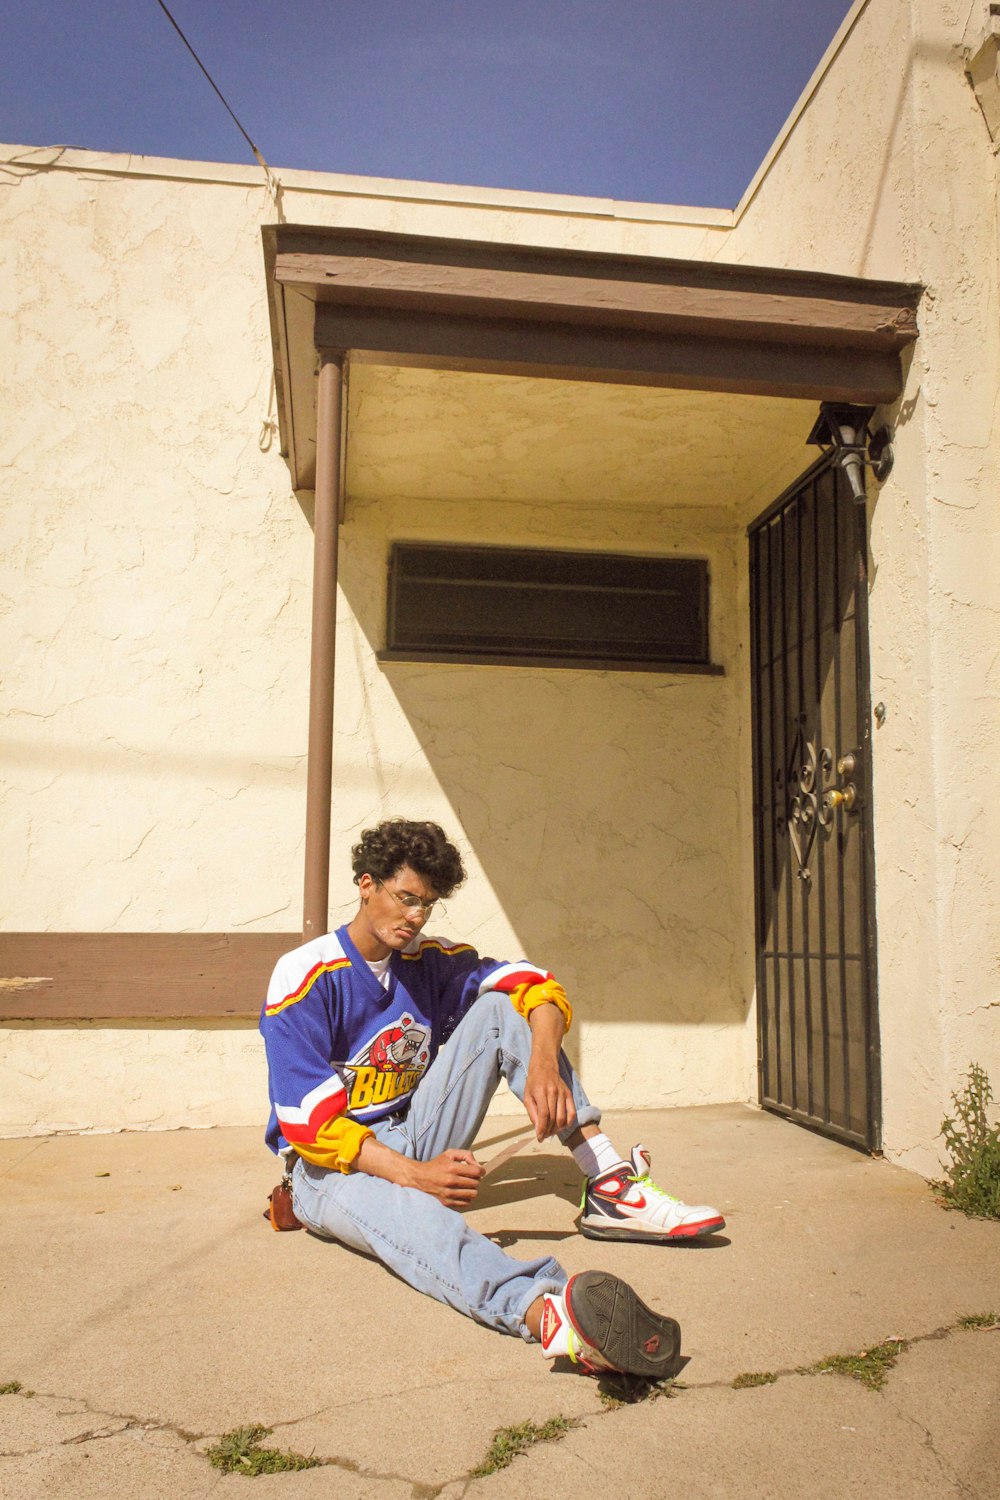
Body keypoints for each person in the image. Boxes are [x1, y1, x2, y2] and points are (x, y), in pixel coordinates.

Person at [260, 818, 725, 1378]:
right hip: (330, 1167)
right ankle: (548, 1315)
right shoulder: (305, 974)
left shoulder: (429, 962)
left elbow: (536, 985)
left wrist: (543, 1061)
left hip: (413, 1129)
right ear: (366, 885)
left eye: (427, 905)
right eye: (407, 899)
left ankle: (607, 1182)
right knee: (413, 1222)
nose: (416, 917)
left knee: (506, 1007)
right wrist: (414, 1175)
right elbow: (310, 1128)